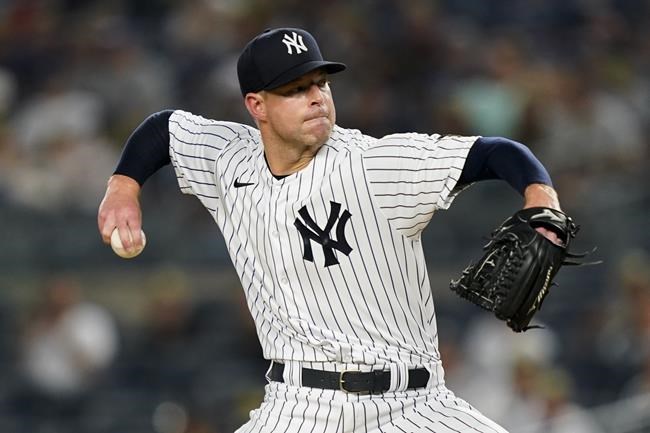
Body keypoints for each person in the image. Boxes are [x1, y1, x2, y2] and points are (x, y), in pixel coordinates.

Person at [98, 27, 563, 433]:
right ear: (256, 105)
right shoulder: (229, 160)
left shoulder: (373, 166)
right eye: (296, 88)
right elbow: (164, 130)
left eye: (321, 82)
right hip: (298, 407)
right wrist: (123, 187)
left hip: (410, 406)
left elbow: (494, 151)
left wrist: (539, 194)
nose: (318, 96)